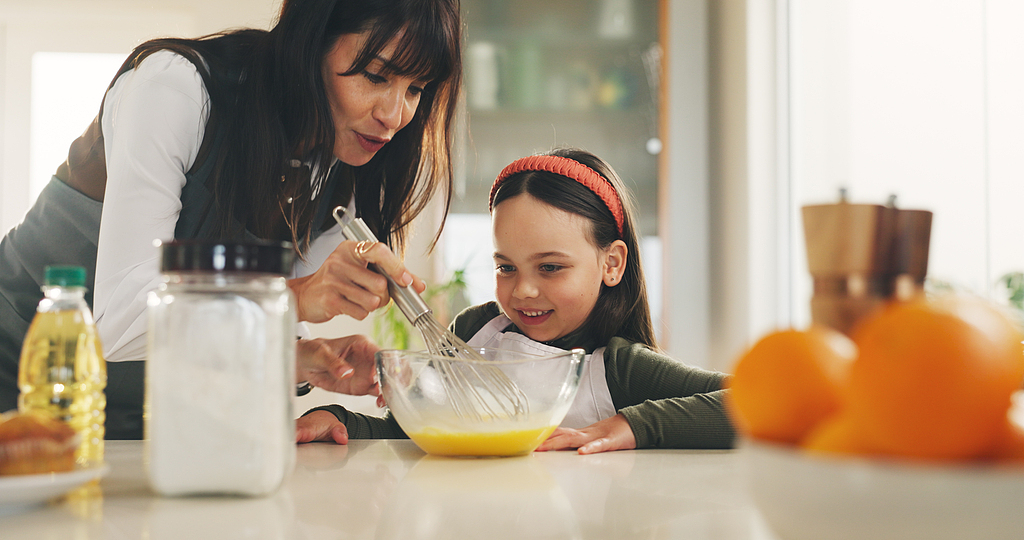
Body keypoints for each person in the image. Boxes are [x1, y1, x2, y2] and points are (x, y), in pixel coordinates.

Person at [0, 0, 463, 439]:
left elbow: (219, 335)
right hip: (17, 378)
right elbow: (121, 324)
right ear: (311, 40)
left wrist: (299, 356)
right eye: (376, 75)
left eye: (416, 89)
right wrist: (296, 297)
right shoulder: (176, 88)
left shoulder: (343, 171)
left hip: (145, 419)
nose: (394, 114)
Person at [297, 148, 736, 454]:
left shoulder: (618, 369)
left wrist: (634, 426)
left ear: (612, 264)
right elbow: (410, 435)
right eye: (506, 267)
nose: (522, 290)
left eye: (550, 268)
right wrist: (340, 421)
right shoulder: (474, 333)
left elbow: (746, 401)